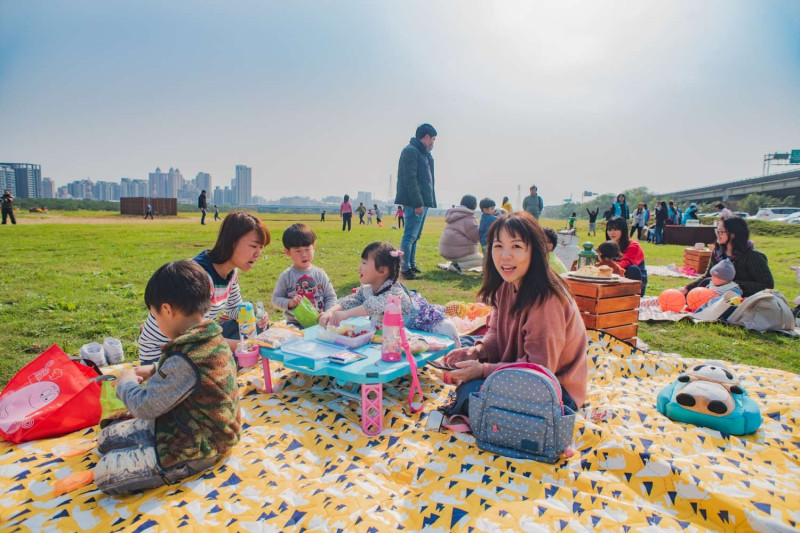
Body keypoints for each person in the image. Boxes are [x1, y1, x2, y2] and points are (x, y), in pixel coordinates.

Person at [95, 260, 240, 495]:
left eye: (154, 315)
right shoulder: (208, 336)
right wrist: (154, 370)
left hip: (200, 446)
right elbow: (187, 374)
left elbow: (146, 406)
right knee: (106, 439)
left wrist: (125, 384)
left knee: (105, 474)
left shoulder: (188, 355)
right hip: (190, 423)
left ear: (166, 310)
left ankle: (178, 467)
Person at [442, 212, 587, 412]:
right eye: (498, 246)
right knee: (463, 347)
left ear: (534, 252)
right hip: (521, 373)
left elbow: (540, 371)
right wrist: (477, 351)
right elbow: (494, 331)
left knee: (472, 395)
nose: (505, 255)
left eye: (516, 246)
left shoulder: (547, 300)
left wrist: (483, 370)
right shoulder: (506, 286)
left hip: (555, 391)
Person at [137, 211, 271, 364]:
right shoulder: (199, 276)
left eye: (261, 247)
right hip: (163, 354)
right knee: (231, 356)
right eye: (253, 246)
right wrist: (242, 346)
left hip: (194, 340)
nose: (258, 253)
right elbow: (198, 336)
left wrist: (254, 316)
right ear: (231, 242)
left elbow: (234, 309)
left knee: (254, 328)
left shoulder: (231, 273)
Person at [319, 242, 412, 328]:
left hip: (416, 330)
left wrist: (346, 314)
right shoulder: (368, 289)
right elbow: (351, 300)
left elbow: (371, 307)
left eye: (364, 263)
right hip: (391, 334)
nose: (359, 267)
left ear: (382, 271)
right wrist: (330, 312)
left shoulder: (394, 293)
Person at [681, 217, 774, 298]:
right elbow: (708, 276)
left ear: (733, 234)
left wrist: (730, 284)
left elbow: (767, 285)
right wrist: (687, 288)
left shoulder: (753, 256)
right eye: (716, 231)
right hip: (716, 298)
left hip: (742, 302)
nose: (717, 234)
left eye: (721, 232)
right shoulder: (717, 253)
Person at [271, 223, 338, 327]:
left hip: (320, 322)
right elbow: (275, 299)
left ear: (314, 247)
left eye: (307, 249)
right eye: (298, 251)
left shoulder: (320, 274)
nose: (304, 255)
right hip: (295, 324)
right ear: (287, 252)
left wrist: (328, 313)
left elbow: (330, 296)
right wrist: (289, 302)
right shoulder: (286, 276)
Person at [395, 123, 437, 280]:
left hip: (423, 201)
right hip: (415, 202)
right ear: (426, 137)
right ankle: (404, 268)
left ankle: (411, 264)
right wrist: (418, 202)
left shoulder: (423, 153)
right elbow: (410, 179)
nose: (433, 143)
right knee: (409, 236)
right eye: (432, 139)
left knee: (415, 236)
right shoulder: (410, 151)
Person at [439, 195, 483, 273]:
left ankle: (455, 263)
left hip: (445, 251)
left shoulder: (454, 214)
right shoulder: (469, 218)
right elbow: (477, 237)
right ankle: (457, 267)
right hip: (458, 253)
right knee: (485, 260)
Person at [605, 216, 648, 296]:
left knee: (632, 269)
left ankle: (634, 295)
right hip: (617, 281)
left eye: (615, 229)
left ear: (623, 230)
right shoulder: (609, 245)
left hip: (634, 281)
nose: (612, 233)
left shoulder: (633, 246)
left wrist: (604, 263)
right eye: (609, 229)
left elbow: (624, 264)